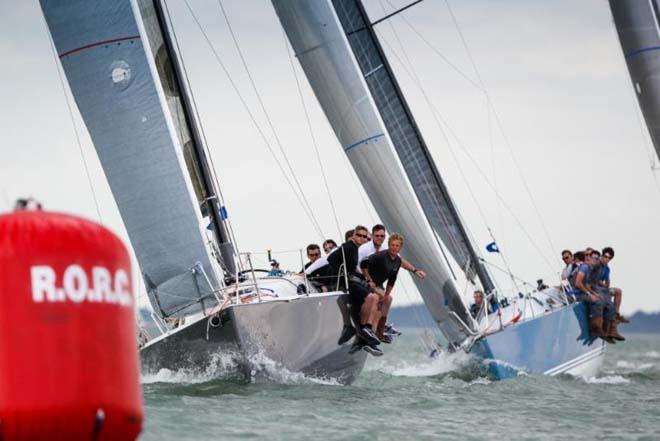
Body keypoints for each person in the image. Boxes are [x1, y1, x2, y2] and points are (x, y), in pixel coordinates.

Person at [360, 233, 419, 345]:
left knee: (388, 299)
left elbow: (392, 280)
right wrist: (368, 280)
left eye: (397, 246)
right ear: (388, 245)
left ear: (400, 247)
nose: (394, 248)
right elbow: (363, 263)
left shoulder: (397, 261)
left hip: (378, 286)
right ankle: (369, 328)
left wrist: (387, 294)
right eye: (392, 245)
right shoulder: (381, 256)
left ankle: (380, 331)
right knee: (380, 296)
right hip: (365, 282)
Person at [599, 247, 629, 325]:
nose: (607, 259)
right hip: (594, 288)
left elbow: (607, 281)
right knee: (606, 297)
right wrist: (603, 285)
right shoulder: (597, 265)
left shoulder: (607, 268)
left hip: (602, 289)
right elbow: (594, 279)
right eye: (605, 256)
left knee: (618, 291)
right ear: (601, 255)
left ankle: (616, 314)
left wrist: (606, 285)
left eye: (609, 258)